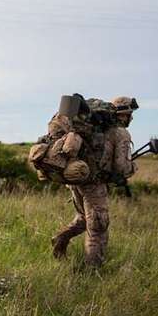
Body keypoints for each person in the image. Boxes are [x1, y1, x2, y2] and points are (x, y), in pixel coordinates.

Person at [51, 96, 139, 267]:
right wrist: (133, 167)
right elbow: (121, 167)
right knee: (98, 228)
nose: (132, 118)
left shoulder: (91, 126)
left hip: (77, 178)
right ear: (123, 115)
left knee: (84, 219)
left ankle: (60, 238)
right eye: (130, 114)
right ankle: (92, 271)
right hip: (94, 185)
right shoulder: (120, 133)